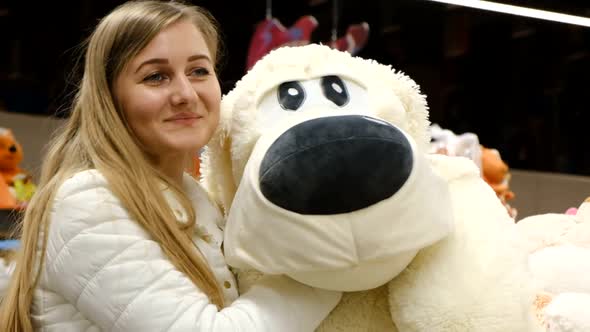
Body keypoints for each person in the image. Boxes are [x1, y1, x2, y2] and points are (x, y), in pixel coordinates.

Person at [0, 1, 341, 331]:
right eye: (156, 77)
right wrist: (339, 267)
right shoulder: (89, 202)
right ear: (110, 97)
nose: (186, 94)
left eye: (198, 71)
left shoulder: (195, 196)